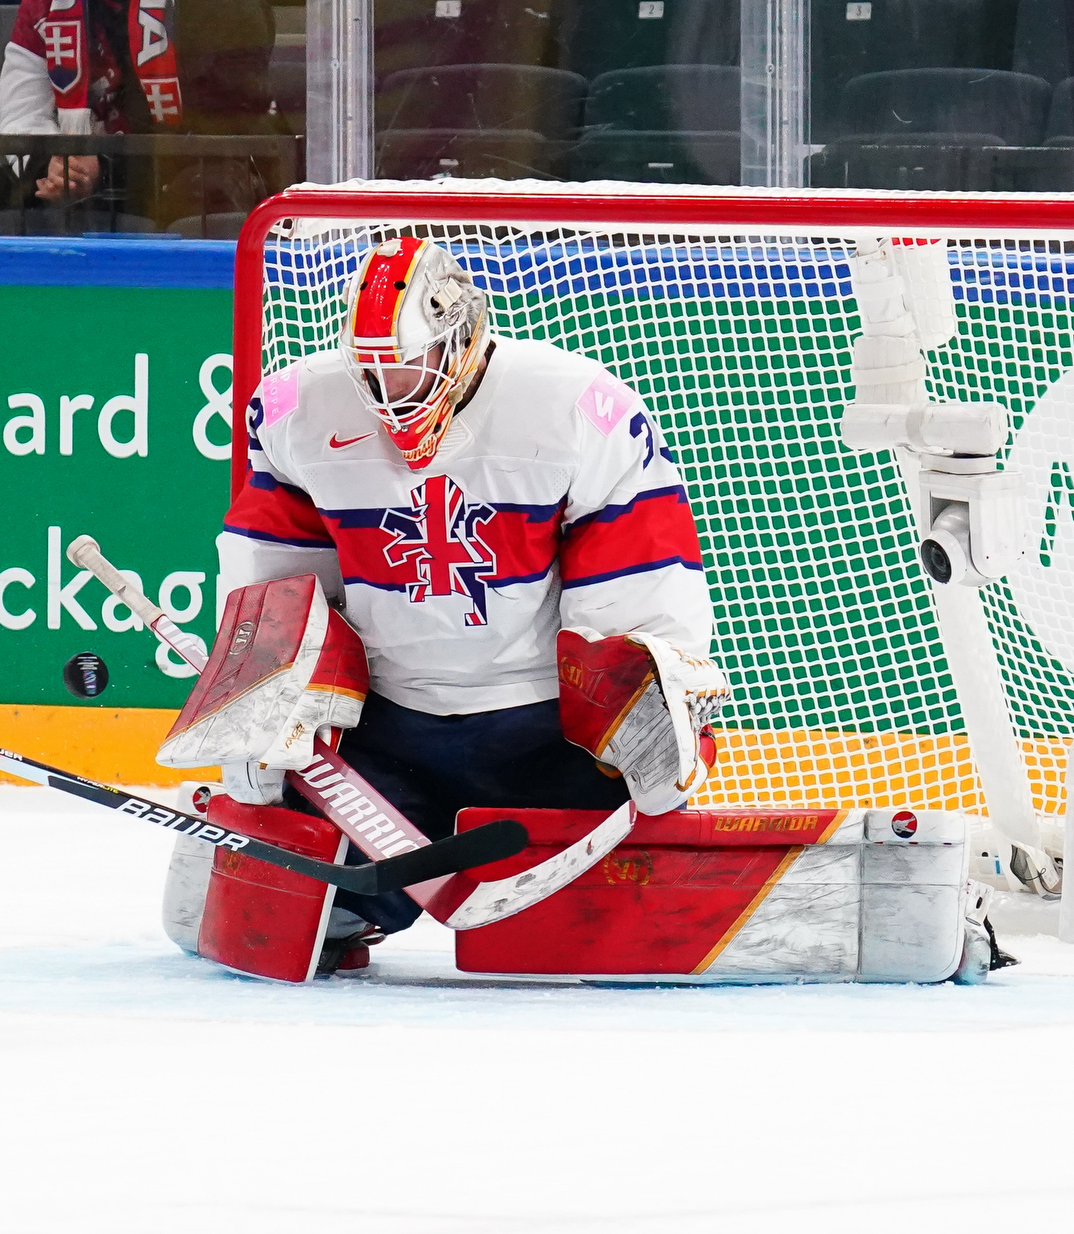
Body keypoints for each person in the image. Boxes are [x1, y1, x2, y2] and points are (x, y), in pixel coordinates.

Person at [204, 235, 720, 970]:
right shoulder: (298, 409)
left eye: (409, 364)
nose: (392, 393)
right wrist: (259, 709)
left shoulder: (576, 406)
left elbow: (639, 580)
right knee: (288, 926)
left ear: (463, 337)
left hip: (544, 734)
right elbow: (280, 591)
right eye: (372, 372)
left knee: (596, 933)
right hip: (387, 733)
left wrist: (657, 722)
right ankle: (356, 899)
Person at [0, 0, 282, 232]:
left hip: (182, 179)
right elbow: (20, 110)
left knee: (200, 197)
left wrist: (106, 166)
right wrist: (56, 164)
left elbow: (220, 124)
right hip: (85, 188)